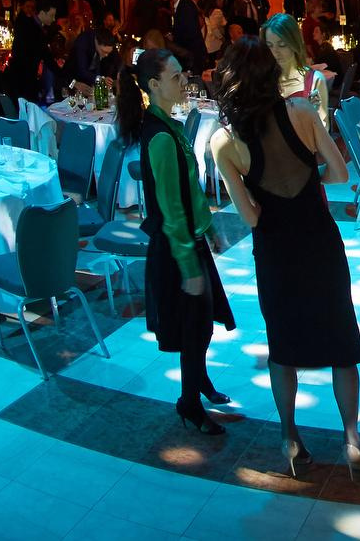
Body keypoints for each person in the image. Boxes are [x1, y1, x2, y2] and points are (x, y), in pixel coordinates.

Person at [210, 36, 360, 479]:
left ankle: (290, 438)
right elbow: (338, 173)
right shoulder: (301, 113)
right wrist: (305, 175)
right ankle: (352, 439)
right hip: (319, 239)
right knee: (342, 345)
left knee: (283, 348)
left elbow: (251, 217)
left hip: (276, 250)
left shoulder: (224, 142)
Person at [120, 46, 234, 434]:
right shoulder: (161, 137)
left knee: (201, 324)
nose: (184, 80)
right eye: (175, 77)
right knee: (193, 328)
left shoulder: (167, 124)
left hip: (190, 240)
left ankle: (199, 384)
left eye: (182, 73)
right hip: (176, 249)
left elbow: (189, 191)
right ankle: (188, 403)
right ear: (154, 85)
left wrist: (209, 228)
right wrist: (188, 265)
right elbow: (169, 210)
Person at [263, 13, 329, 118]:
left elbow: (322, 128)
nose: (275, 52)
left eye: (282, 45)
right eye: (269, 45)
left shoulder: (313, 80)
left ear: (294, 43)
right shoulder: (263, 81)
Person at [66, 28, 119, 98]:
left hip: (86, 84)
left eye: (108, 53)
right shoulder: (83, 43)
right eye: (104, 52)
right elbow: (82, 70)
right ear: (97, 42)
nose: (106, 55)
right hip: (69, 81)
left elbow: (115, 61)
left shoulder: (102, 42)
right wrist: (101, 79)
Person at [169, 0, 205, 69]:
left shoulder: (185, 6)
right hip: (189, 55)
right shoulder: (182, 4)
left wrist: (174, 37)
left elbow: (190, 32)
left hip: (191, 57)